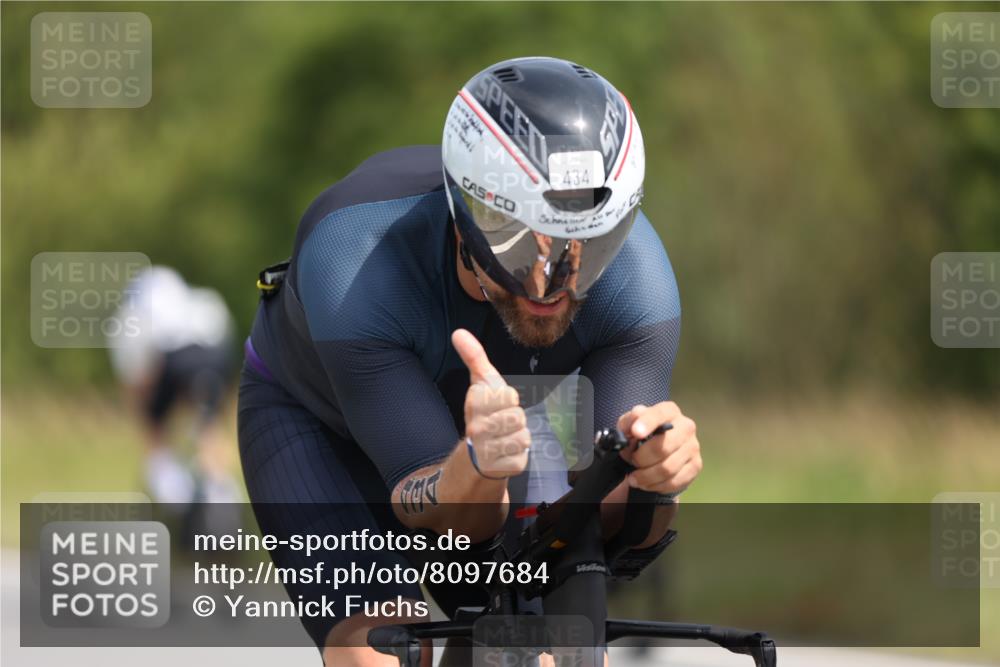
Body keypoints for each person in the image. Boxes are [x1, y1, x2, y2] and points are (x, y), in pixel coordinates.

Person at [238, 56, 701, 666]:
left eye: (589, 242)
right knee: (380, 650)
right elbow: (433, 504)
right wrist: (480, 467)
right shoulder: (355, 259)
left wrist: (655, 481)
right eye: (519, 244)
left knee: (554, 637)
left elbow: (614, 530)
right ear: (467, 216)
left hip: (496, 426)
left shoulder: (638, 284)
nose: (552, 282)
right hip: (321, 424)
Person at [108, 265, 239, 507]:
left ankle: (173, 495)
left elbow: (136, 381)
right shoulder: (202, 301)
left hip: (171, 361)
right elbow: (225, 349)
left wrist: (151, 415)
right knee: (209, 429)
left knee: (155, 431)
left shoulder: (132, 316)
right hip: (214, 358)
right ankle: (219, 492)